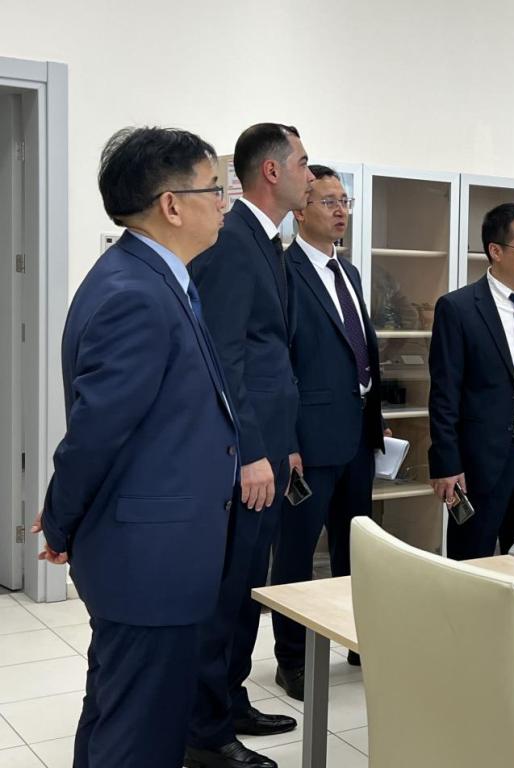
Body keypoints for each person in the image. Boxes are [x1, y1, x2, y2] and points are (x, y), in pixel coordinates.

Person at [34, 126, 236, 767]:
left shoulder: (153, 277)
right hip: (150, 559)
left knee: (119, 715)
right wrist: (61, 521)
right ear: (171, 204)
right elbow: (95, 434)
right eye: (213, 189)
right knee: (140, 736)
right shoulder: (137, 294)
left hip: (153, 551)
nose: (224, 203)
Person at [186, 124, 313, 768]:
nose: (311, 176)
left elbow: (269, 353)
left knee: (244, 591)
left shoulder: (267, 243)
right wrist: (253, 450)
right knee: (226, 591)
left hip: (269, 447)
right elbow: (226, 361)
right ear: (271, 171)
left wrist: (282, 445)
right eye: (304, 164)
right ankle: (204, 734)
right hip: (245, 456)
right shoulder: (234, 244)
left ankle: (230, 701)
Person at [272, 165, 385, 698]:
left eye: (345, 201)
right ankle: (292, 658)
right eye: (328, 201)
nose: (341, 211)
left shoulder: (350, 272)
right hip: (308, 442)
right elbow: (279, 364)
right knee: (296, 554)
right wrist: (287, 442)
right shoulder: (284, 271)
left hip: (357, 435)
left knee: (355, 548)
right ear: (300, 210)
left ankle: (358, 640)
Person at [428, 203, 514, 560]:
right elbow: (444, 394)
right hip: (482, 460)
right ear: (496, 250)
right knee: (471, 559)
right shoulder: (458, 308)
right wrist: (446, 462)